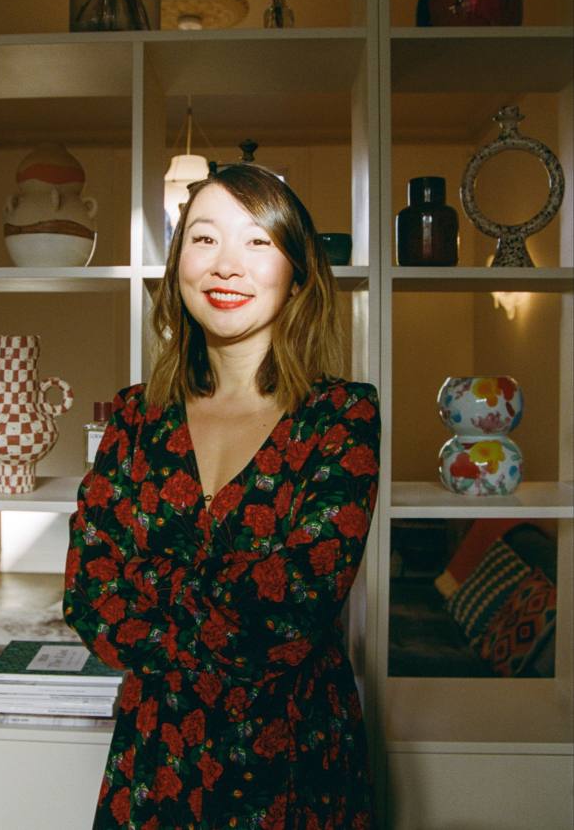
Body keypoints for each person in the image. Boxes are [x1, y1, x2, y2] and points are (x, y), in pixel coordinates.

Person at [63, 163, 381, 830]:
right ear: (178, 266)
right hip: (154, 758)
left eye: (257, 242)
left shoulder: (341, 418)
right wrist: (232, 587)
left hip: (295, 762)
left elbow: (292, 611)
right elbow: (91, 594)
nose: (225, 266)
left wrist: (150, 581)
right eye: (204, 240)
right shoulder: (132, 419)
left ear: (297, 271)